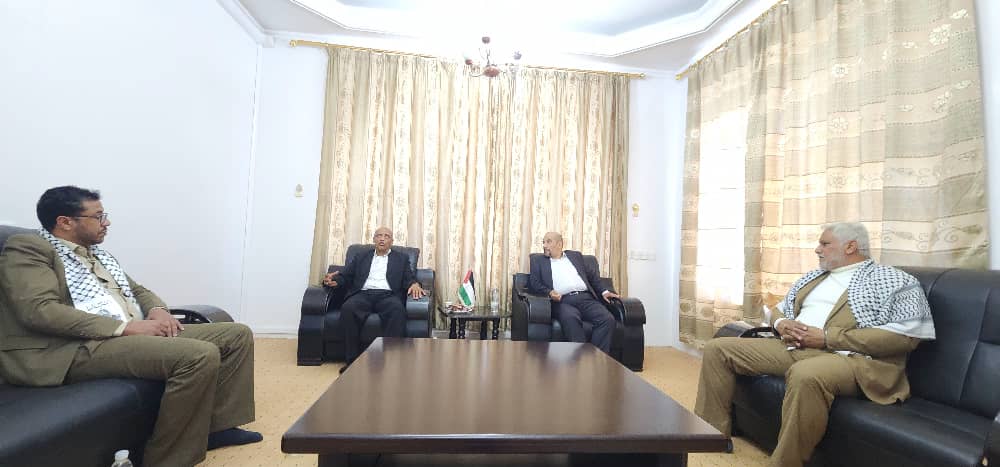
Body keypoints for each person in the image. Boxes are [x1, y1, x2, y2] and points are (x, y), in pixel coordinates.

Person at [0, 186, 262, 467]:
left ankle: (217, 428)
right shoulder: (28, 249)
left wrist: (158, 312)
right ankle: (168, 458)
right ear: (65, 222)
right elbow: (39, 311)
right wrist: (124, 328)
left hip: (116, 335)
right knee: (197, 355)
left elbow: (137, 290)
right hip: (69, 347)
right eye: (98, 217)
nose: (107, 222)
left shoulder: (93, 253)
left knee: (235, 335)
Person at [694, 222, 936, 467]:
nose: (817, 249)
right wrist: (782, 324)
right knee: (718, 349)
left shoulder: (895, 280)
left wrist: (827, 338)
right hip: (796, 348)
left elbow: (905, 337)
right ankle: (710, 436)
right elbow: (779, 310)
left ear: (850, 246)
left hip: (852, 359)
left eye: (825, 244)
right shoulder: (814, 277)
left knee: (806, 374)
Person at [323, 226, 426, 372]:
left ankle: (391, 363)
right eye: (379, 236)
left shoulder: (401, 259)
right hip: (363, 294)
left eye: (386, 236)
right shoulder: (361, 256)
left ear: (392, 241)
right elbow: (346, 276)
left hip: (388, 295)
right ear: (374, 239)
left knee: (397, 310)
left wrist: (414, 284)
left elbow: (409, 278)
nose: (382, 239)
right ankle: (352, 362)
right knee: (348, 308)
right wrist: (335, 281)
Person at [527, 232, 621, 354]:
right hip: (562, 301)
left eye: (548, 242)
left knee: (607, 319)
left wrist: (604, 291)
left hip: (586, 298)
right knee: (571, 318)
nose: (544, 245)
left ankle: (597, 359)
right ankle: (580, 360)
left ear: (559, 244)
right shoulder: (538, 260)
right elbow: (534, 283)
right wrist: (550, 292)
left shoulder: (575, 256)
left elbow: (592, 276)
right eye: (543, 242)